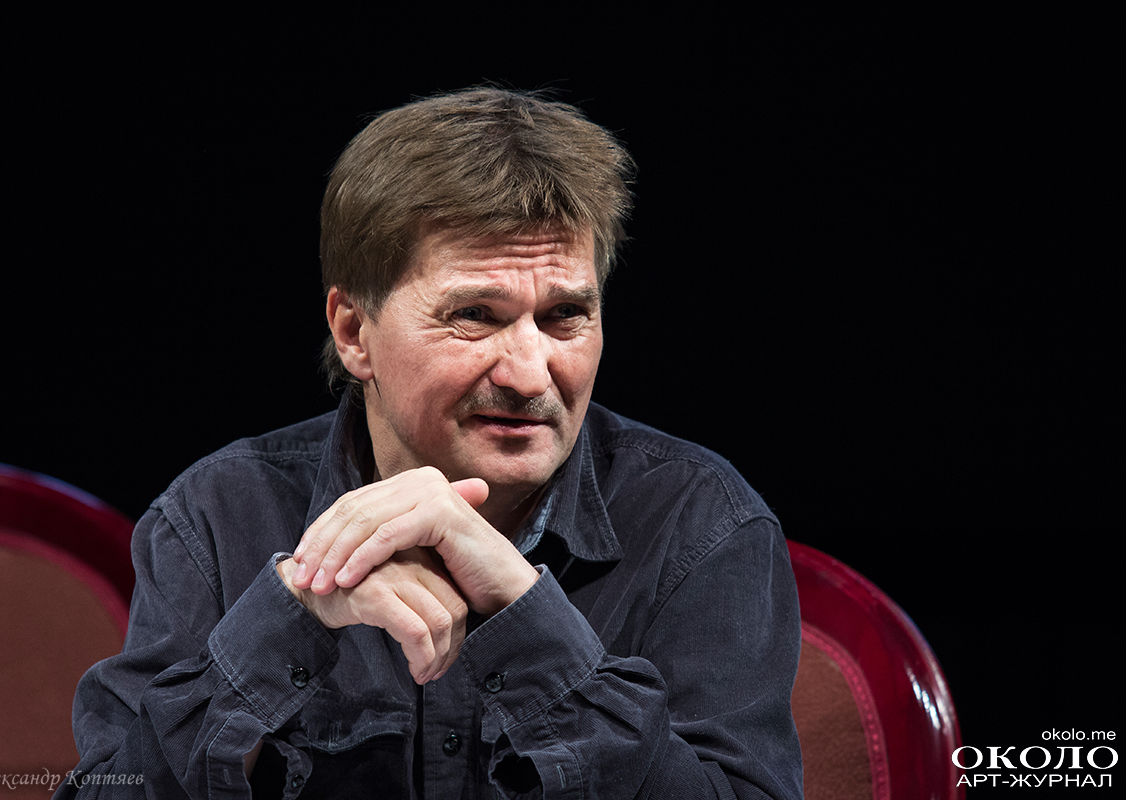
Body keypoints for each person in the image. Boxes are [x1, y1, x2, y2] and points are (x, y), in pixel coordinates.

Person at [60, 88, 804, 799]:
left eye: (564, 316)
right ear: (354, 332)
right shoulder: (218, 515)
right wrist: (291, 615)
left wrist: (526, 616)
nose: (529, 373)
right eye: (475, 314)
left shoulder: (699, 524)